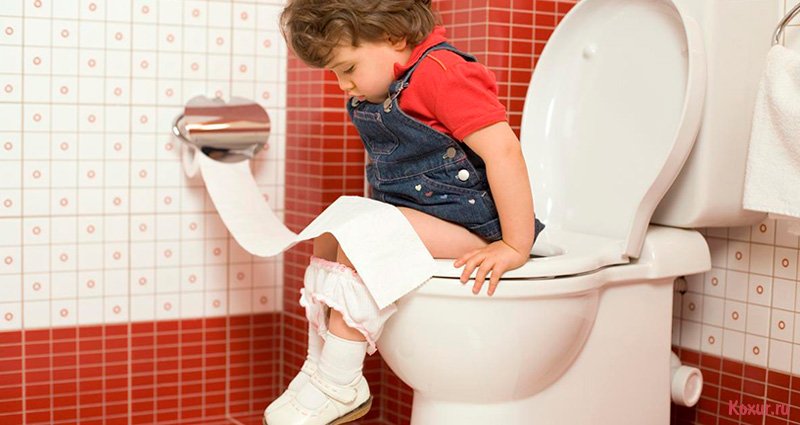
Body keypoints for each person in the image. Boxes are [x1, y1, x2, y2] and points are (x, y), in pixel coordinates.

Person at [264, 1, 545, 424]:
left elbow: (503, 151)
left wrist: (514, 245)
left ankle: (341, 382)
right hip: (426, 219)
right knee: (330, 233)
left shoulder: (442, 73)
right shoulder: (386, 86)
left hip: (474, 225)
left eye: (348, 68)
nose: (343, 85)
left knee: (363, 239)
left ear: (394, 37)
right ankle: (319, 368)